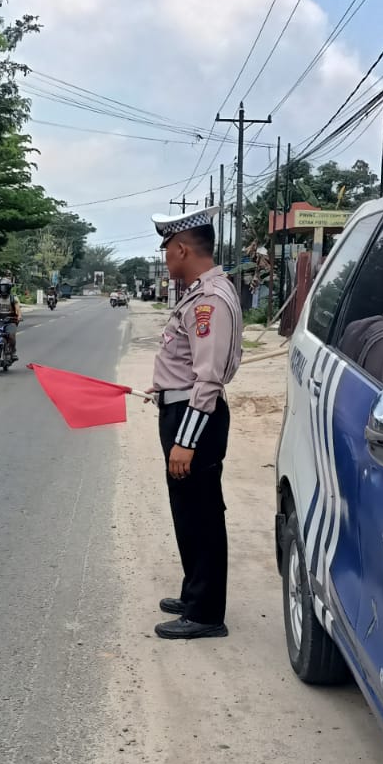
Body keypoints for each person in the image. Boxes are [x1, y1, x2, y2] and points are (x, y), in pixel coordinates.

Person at [146, 206, 242, 640]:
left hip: (193, 418)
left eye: (167, 249)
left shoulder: (209, 301)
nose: (166, 257)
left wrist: (185, 441)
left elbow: (207, 379)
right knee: (187, 510)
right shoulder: (199, 294)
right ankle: (194, 592)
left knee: (201, 513)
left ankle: (205, 613)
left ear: (182, 248)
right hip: (181, 411)